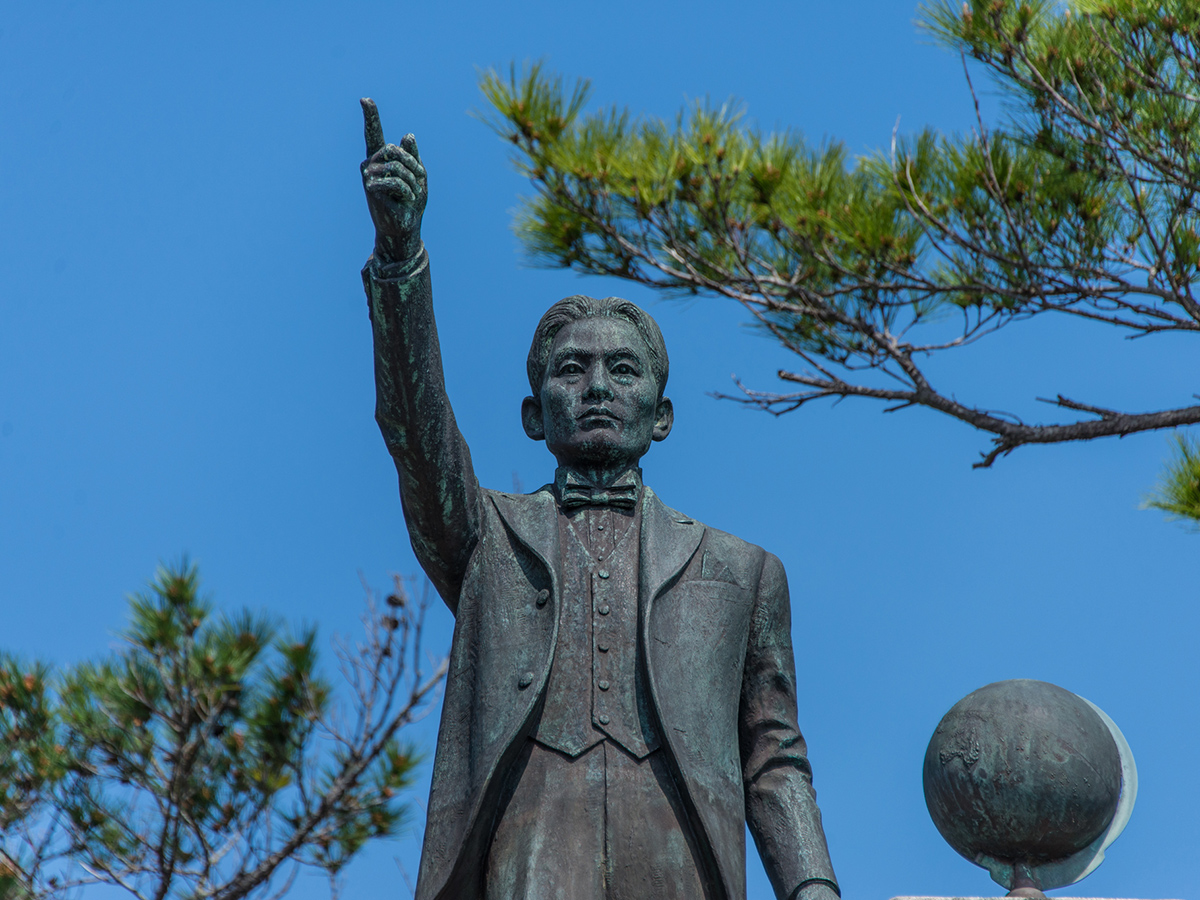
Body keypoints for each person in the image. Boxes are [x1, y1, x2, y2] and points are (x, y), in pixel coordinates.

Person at [358, 98, 839, 900]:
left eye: (622, 372)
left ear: (662, 414)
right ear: (532, 411)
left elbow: (774, 757)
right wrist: (400, 255)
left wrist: (812, 888)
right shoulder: (486, 539)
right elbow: (415, 431)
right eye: (570, 370)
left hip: (684, 851)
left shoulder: (743, 573)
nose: (596, 388)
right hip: (525, 844)